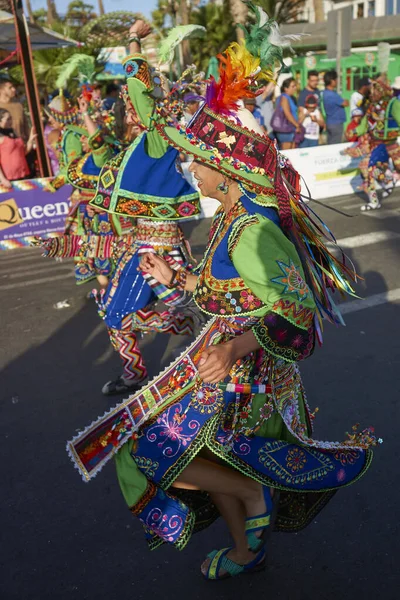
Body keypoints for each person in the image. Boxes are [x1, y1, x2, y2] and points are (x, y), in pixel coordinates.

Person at [69, 20, 378, 581]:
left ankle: (250, 509)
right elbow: (226, 293)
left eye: (199, 159)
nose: (192, 167)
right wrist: (176, 278)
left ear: (227, 170)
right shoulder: (233, 221)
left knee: (147, 451)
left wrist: (234, 347)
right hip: (224, 362)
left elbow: (300, 318)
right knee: (190, 454)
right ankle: (246, 550)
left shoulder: (250, 231)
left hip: (242, 375)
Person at [344, 78, 400, 210]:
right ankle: (375, 200)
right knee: (367, 169)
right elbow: (363, 126)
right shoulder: (372, 107)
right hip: (378, 146)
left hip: (391, 144)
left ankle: (389, 178)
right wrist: (353, 131)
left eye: (375, 90)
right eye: (371, 91)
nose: (372, 93)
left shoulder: (393, 104)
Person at [0, 109, 37, 187]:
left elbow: (23, 152)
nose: (11, 121)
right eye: (8, 119)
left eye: (11, 118)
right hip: (8, 178)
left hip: (22, 173)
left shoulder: (13, 132)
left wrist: (30, 140)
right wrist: (3, 179)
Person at [272, 77, 300, 149]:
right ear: (286, 88)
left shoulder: (289, 97)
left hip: (289, 128)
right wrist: (297, 125)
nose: (295, 88)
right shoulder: (284, 98)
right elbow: (287, 114)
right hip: (285, 129)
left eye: (295, 86)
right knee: (287, 153)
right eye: (293, 86)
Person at [322, 70, 349, 144]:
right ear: (332, 81)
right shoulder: (332, 95)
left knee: (330, 144)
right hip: (336, 124)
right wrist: (345, 100)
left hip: (330, 122)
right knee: (335, 146)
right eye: (336, 79)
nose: (337, 81)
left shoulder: (326, 93)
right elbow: (345, 103)